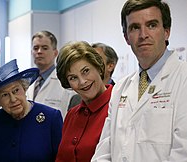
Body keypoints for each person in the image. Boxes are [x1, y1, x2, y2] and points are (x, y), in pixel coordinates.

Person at [92, 0, 187, 161]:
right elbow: (105, 150)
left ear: (166, 32)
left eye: (151, 25)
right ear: (126, 37)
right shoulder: (121, 87)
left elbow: (183, 152)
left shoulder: (183, 78)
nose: (143, 35)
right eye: (135, 27)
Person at [0, 59, 63, 162]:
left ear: (24, 88)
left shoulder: (51, 118)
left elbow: (62, 158)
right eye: (5, 95)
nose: (13, 99)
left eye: (16, 90)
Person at [55, 41, 113, 162]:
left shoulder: (118, 106)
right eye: (73, 78)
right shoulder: (72, 115)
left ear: (98, 67)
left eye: (86, 71)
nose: (82, 82)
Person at [27, 30, 75, 119]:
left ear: (55, 53)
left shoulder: (66, 81)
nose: (39, 51)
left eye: (45, 48)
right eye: (35, 48)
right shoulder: (26, 83)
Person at [68, 42, 118, 110]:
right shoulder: (75, 100)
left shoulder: (119, 97)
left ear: (110, 66)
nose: (91, 62)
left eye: (96, 59)